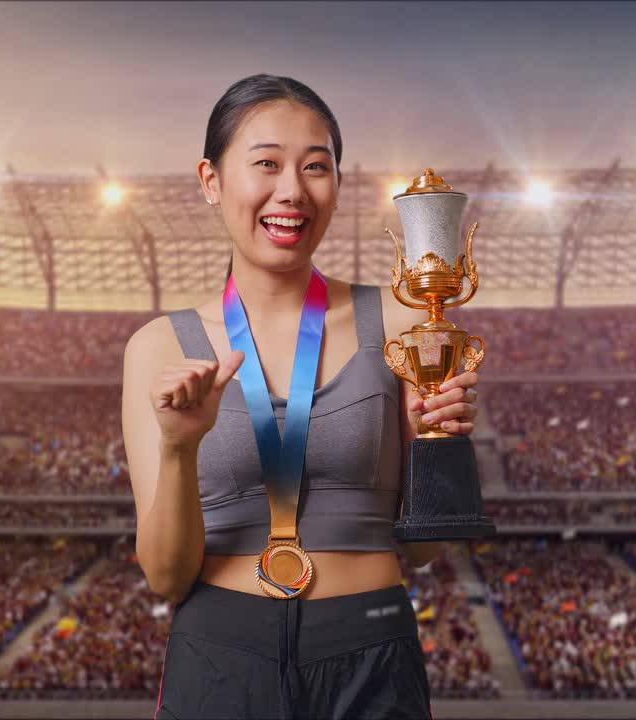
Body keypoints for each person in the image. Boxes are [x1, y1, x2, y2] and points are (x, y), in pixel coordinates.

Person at [121, 73, 481, 719]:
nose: (292, 190)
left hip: (372, 646)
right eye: (266, 163)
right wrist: (179, 449)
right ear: (211, 180)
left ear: (337, 186)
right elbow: (167, 578)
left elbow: (424, 551)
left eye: (316, 167)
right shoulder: (158, 347)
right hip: (219, 657)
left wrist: (442, 445)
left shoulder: (402, 325)